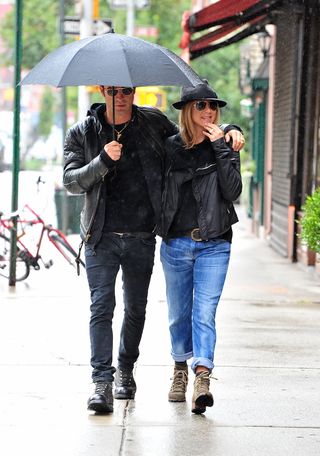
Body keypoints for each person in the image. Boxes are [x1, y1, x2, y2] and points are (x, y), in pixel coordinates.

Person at [63, 84, 245, 414]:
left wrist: (230, 131)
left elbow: (191, 137)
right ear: (103, 90)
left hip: (141, 237)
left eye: (128, 90)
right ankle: (102, 381)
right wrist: (103, 159)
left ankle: (126, 372)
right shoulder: (82, 132)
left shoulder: (153, 123)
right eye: (115, 91)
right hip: (100, 236)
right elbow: (72, 181)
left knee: (135, 310)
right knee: (101, 307)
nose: (121, 97)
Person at [159, 83, 242, 414]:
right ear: (186, 111)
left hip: (215, 244)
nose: (208, 111)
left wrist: (224, 146)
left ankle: (202, 376)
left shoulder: (224, 145)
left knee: (204, 312)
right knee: (178, 315)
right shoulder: (168, 148)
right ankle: (180, 367)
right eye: (200, 106)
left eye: (213, 106)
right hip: (176, 243)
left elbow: (233, 190)